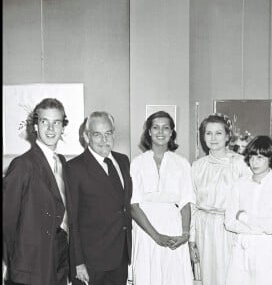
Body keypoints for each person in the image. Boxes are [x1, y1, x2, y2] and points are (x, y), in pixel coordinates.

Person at [189, 113, 272, 285]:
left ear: (228, 136)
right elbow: (192, 204)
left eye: (219, 133)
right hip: (204, 229)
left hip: (232, 230)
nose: (213, 138)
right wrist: (192, 239)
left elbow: (262, 191)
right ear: (203, 137)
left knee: (232, 277)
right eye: (208, 133)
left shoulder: (241, 163)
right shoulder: (197, 166)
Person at [3, 98, 71, 285]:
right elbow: (7, 221)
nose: (50, 129)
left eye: (56, 122)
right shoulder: (22, 165)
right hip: (30, 264)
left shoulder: (63, 163)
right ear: (34, 126)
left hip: (59, 256)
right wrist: (20, 259)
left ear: (63, 127)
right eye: (44, 122)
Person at [130, 111, 195, 285]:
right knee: (147, 275)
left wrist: (185, 234)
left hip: (173, 228)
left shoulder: (182, 163)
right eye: (156, 127)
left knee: (174, 276)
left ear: (172, 132)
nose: (161, 132)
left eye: (166, 128)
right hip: (146, 229)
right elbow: (133, 206)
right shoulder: (137, 163)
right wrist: (156, 236)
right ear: (149, 131)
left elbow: (186, 203)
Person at [67, 111, 132, 285]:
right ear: (87, 136)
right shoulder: (74, 168)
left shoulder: (123, 161)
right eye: (97, 134)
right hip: (90, 262)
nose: (104, 140)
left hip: (120, 257)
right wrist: (78, 262)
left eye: (108, 133)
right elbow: (72, 220)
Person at [224, 135, 272, 284]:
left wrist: (244, 217)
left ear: (270, 158)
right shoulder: (239, 184)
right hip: (241, 248)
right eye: (252, 157)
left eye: (260, 157)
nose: (254, 162)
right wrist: (259, 226)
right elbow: (229, 222)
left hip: (266, 250)